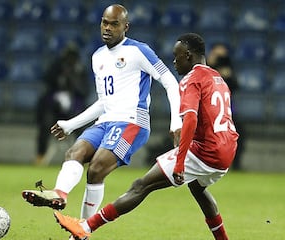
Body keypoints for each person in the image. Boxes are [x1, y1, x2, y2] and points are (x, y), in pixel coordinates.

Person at [53, 33, 239, 240]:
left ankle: (85, 228)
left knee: (141, 186)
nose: (174, 62)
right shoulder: (218, 78)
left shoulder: (191, 80)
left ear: (188, 55)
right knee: (197, 188)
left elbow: (191, 120)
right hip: (227, 150)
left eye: (177, 57)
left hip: (205, 151)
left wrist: (179, 162)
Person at [22, 3, 182, 231]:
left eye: (114, 24)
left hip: (131, 122)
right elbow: (104, 102)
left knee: (96, 169)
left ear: (125, 27)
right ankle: (59, 194)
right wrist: (71, 124)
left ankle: (83, 230)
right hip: (105, 121)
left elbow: (169, 81)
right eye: (104, 23)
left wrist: (176, 121)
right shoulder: (97, 57)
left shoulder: (138, 51)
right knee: (73, 153)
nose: (107, 28)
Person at [35, 43, 89, 165]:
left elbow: (84, 91)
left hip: (74, 109)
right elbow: (47, 83)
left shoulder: (80, 70)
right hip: (54, 110)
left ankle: (81, 158)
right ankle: (40, 156)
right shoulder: (56, 67)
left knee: (82, 129)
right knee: (45, 125)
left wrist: (73, 78)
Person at [207, 43, 244, 170]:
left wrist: (228, 75)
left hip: (226, 108)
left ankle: (236, 164)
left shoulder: (228, 68)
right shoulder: (205, 67)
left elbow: (236, 86)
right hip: (208, 108)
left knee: (238, 133)